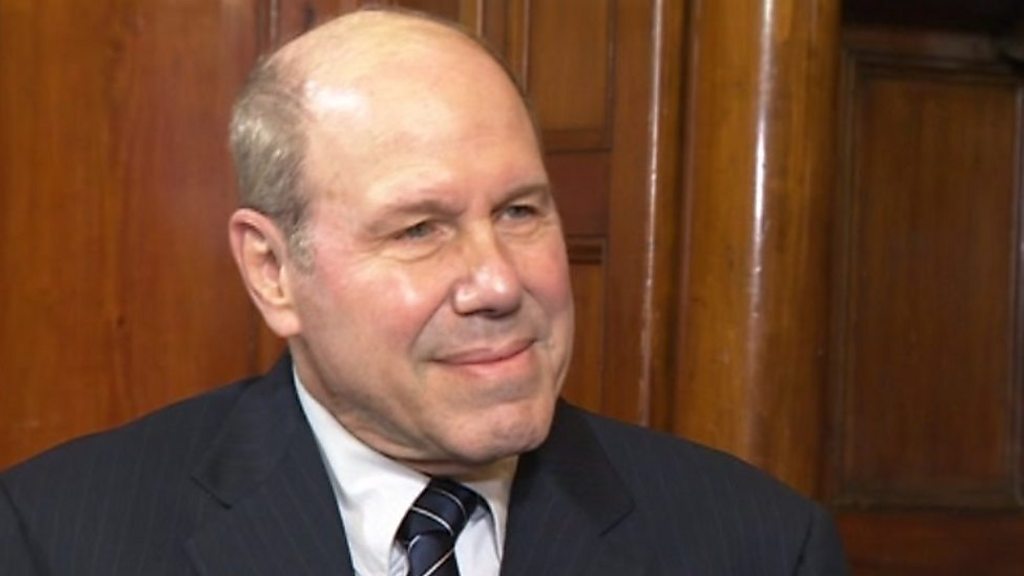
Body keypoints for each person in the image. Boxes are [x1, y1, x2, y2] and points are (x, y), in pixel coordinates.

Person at [0, 8, 848, 576]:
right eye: (419, 229)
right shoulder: (60, 538)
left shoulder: (761, 547)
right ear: (272, 270)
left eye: (520, 211)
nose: (499, 282)